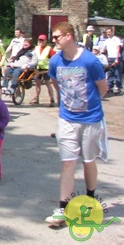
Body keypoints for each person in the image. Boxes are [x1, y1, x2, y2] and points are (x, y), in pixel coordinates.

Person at [45, 22, 108, 227]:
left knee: (88, 160)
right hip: (66, 119)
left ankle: (90, 199)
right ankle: (63, 210)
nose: (53, 41)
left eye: (57, 37)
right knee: (68, 162)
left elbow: (103, 88)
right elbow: (56, 84)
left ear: (69, 36)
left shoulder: (90, 61)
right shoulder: (55, 61)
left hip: (90, 120)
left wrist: (87, 107)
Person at [31, 35, 56, 106]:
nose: (41, 42)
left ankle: (52, 99)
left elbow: (54, 58)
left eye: (42, 40)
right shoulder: (36, 48)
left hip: (46, 68)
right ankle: (36, 98)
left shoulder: (49, 49)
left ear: (45, 41)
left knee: (47, 83)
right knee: (37, 83)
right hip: (38, 68)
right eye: (39, 40)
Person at [101, 28, 121, 93]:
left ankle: (118, 87)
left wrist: (117, 58)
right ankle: (110, 87)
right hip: (109, 58)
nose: (108, 33)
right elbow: (103, 49)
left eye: (109, 32)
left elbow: (118, 49)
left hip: (115, 57)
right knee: (110, 73)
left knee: (117, 73)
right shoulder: (106, 40)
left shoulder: (116, 39)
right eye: (107, 32)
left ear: (112, 32)